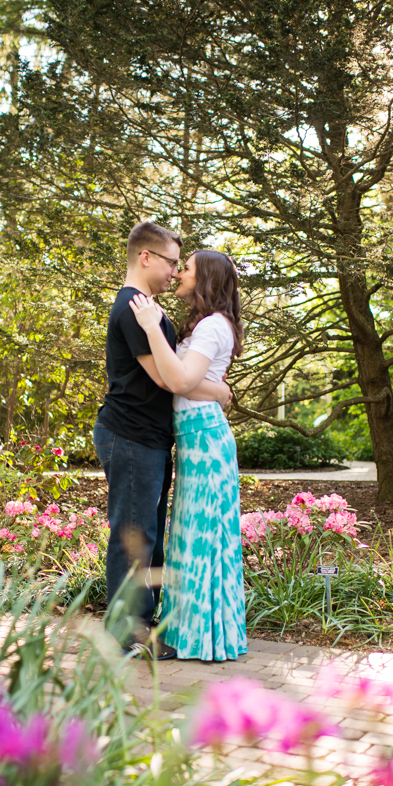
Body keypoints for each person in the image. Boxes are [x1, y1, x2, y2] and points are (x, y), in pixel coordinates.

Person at [93, 223, 232, 660]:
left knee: (146, 533)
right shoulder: (135, 308)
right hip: (131, 435)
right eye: (173, 261)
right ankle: (126, 632)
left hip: (148, 438)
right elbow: (168, 378)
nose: (175, 271)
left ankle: (140, 623)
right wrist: (219, 391)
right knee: (133, 533)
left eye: (180, 265)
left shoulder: (148, 307)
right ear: (146, 257)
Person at [129, 249, 247, 662]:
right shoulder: (206, 325)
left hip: (206, 443)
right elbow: (185, 381)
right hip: (196, 440)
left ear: (207, 280)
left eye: (188, 269)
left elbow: (180, 380)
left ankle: (203, 639)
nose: (179, 273)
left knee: (203, 540)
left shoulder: (214, 326)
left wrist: (150, 326)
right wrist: (218, 391)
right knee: (190, 540)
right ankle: (191, 634)